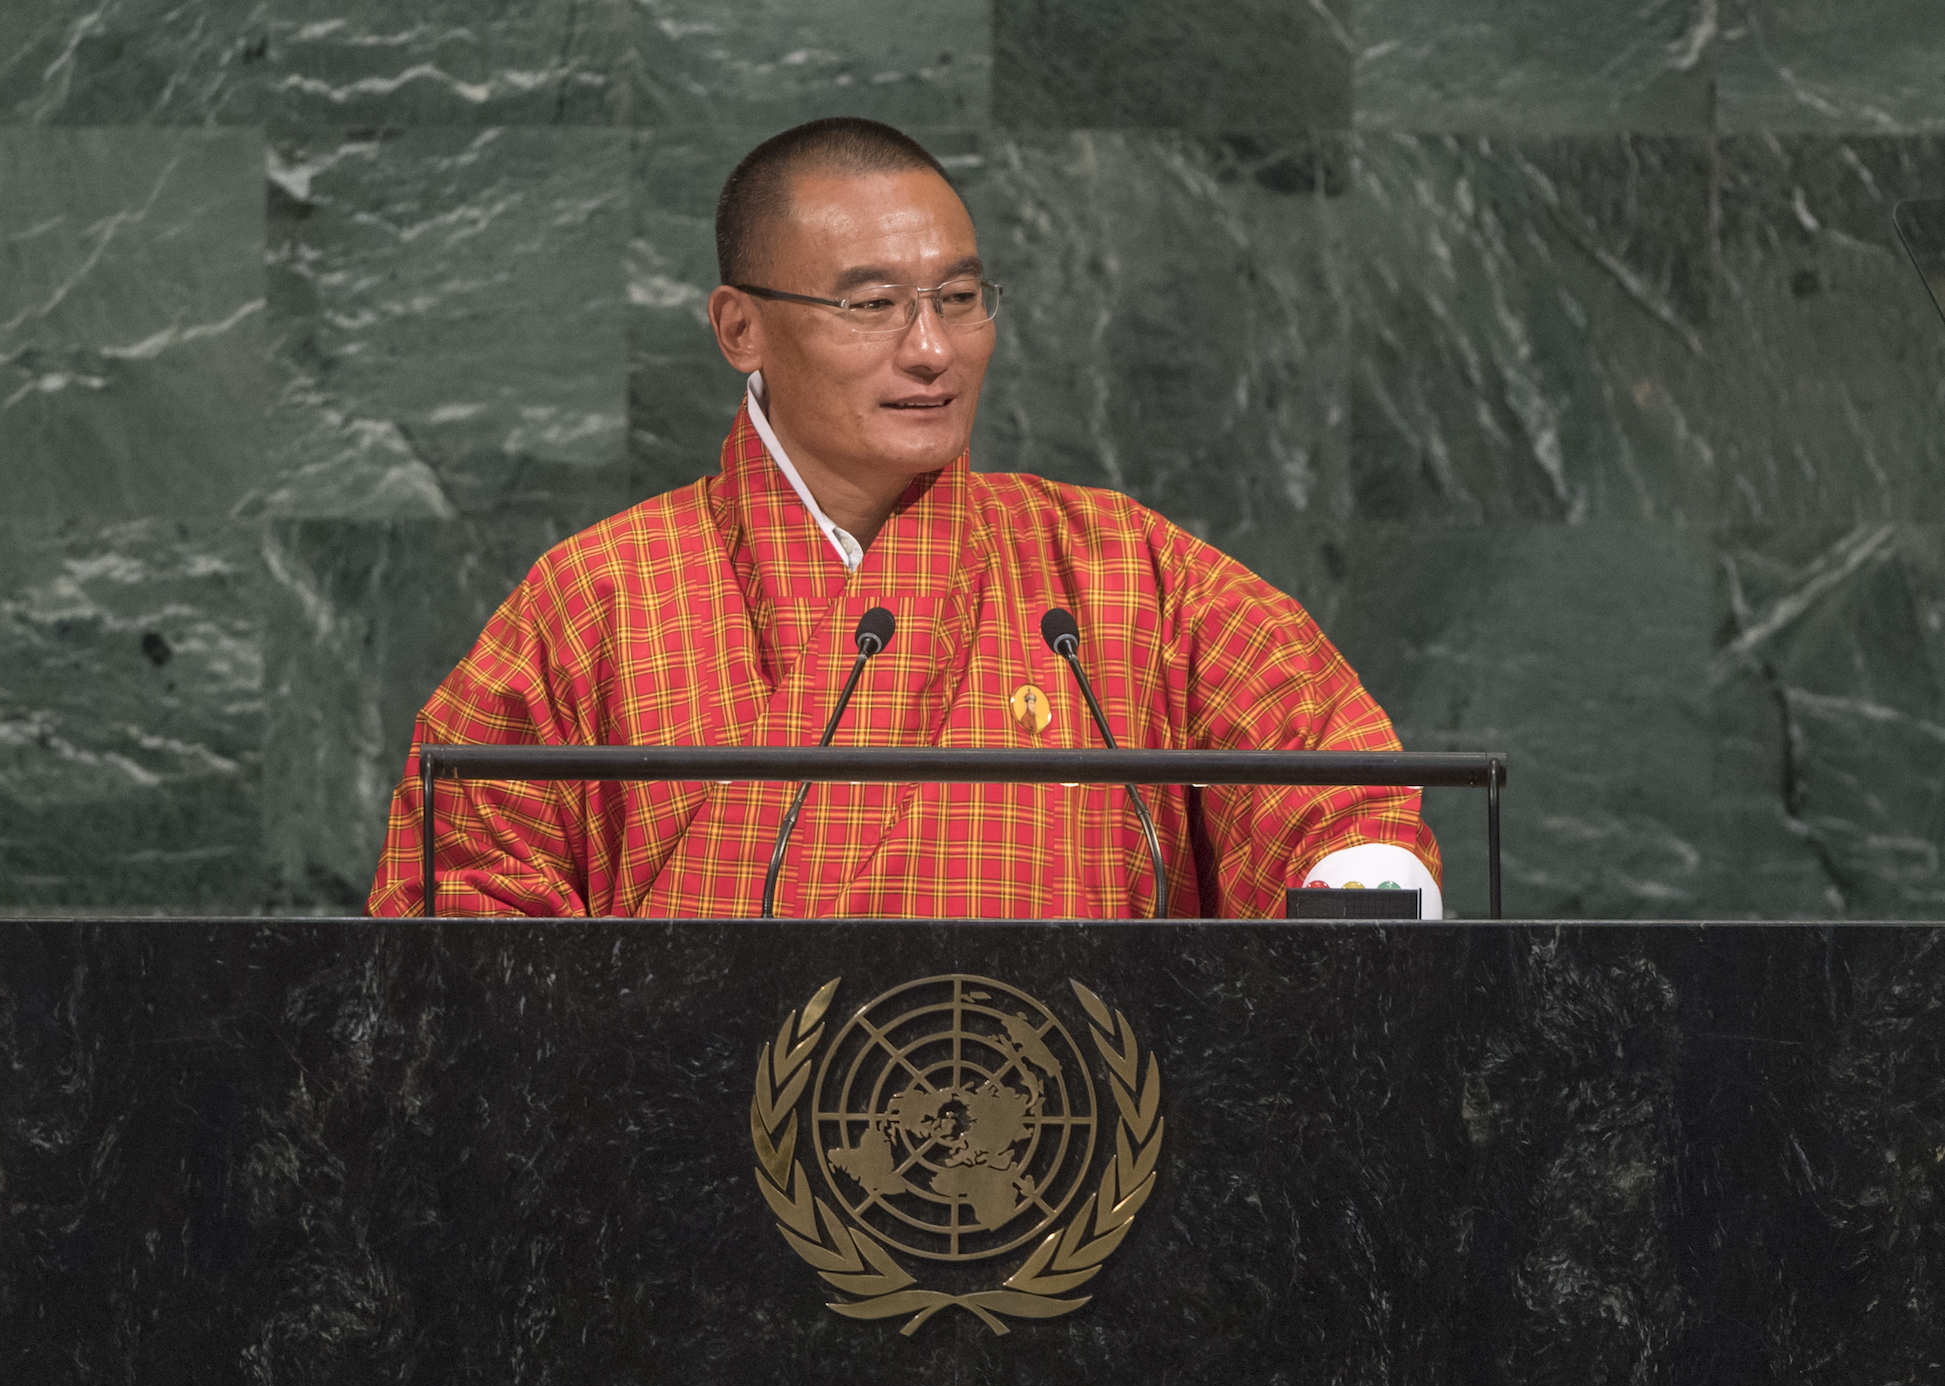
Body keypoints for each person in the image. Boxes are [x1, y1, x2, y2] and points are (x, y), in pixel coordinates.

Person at [365, 117, 1443, 920]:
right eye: (872, 305)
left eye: (959, 299)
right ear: (740, 328)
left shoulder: (1127, 574)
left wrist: (1360, 879)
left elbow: (1335, 787)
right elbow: (460, 896)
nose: (931, 349)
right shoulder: (594, 599)